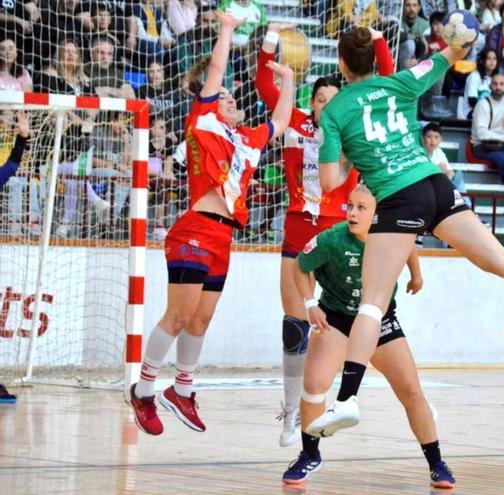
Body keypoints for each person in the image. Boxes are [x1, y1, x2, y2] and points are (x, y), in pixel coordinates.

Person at [307, 26, 504, 440]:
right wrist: (460, 32)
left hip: (398, 196)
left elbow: (328, 181)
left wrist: (342, 151)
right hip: (436, 184)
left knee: (372, 303)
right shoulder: (401, 81)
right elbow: (457, 50)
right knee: (500, 258)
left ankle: (347, 400)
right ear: (374, 60)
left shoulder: (336, 109)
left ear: (340, 64)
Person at [126, 12, 296, 436]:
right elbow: (217, 70)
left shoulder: (248, 140)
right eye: (223, 96)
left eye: (233, 97)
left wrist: (288, 80)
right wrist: (226, 30)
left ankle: (182, 389)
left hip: (223, 236)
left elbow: (280, 120)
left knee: (200, 321)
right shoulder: (202, 123)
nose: (231, 98)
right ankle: (144, 389)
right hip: (195, 228)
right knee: (179, 316)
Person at [255, 23, 394, 447]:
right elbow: (265, 81)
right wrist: (271, 39)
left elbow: (386, 82)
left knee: (345, 320)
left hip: (338, 231)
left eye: (332, 99)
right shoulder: (295, 124)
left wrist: (378, 40)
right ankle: (290, 407)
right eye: (319, 99)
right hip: (299, 224)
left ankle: (344, 393)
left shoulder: (350, 129)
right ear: (311, 104)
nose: (325, 104)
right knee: (295, 323)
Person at [284, 186, 455, 488]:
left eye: (362, 208)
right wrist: (310, 304)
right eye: (350, 206)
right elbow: (300, 266)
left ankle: (436, 462)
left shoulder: (390, 236)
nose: (352, 212)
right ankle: (309, 455)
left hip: (379, 321)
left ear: (378, 214)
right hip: (337, 319)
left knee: (412, 392)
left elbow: (409, 247)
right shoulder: (331, 239)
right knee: (313, 387)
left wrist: (417, 275)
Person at [471, 73, 504, 196]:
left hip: (502, 146)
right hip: (482, 146)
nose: (498, 87)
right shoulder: (483, 104)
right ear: (490, 86)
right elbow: (481, 134)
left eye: (502, 84)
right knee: (503, 160)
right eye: (495, 84)